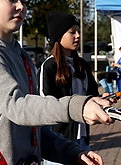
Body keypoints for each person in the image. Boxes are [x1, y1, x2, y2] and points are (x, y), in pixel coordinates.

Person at [0, 0, 112, 164]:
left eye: (23, 0)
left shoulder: (22, 56)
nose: (21, 7)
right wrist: (76, 106)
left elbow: (35, 128)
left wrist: (72, 152)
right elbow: (17, 106)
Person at [39, 12, 99, 154]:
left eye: (78, 31)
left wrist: (102, 100)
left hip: (83, 137)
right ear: (59, 37)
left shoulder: (82, 65)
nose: (78, 35)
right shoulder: (49, 66)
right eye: (72, 32)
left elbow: (93, 94)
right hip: (58, 140)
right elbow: (45, 102)